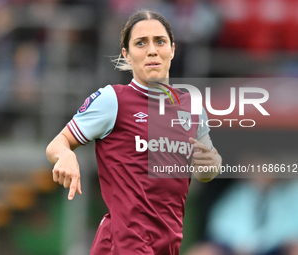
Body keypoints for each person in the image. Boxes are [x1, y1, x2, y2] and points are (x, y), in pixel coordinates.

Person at [46, 9, 222, 255]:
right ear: (126, 55)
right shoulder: (113, 100)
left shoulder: (192, 106)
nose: (152, 50)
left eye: (159, 41)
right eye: (141, 43)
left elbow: (206, 170)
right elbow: (57, 143)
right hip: (122, 245)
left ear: (172, 49)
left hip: (168, 245)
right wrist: (65, 155)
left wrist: (211, 163)